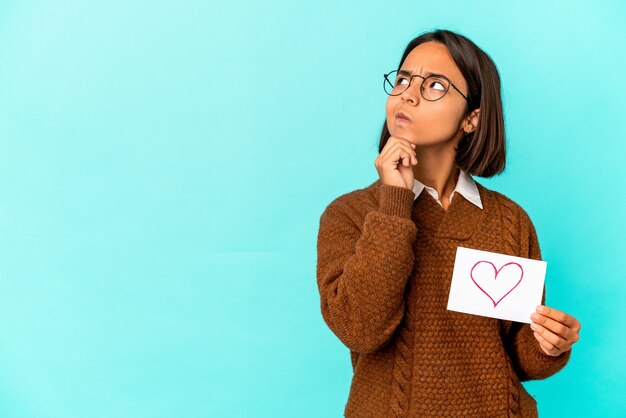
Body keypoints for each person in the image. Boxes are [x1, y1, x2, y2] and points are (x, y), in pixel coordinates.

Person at [315, 29, 581, 417]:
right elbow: (360, 328)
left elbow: (518, 355)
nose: (408, 93)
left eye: (435, 85)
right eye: (403, 79)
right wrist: (394, 204)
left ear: (471, 119)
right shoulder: (350, 214)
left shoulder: (510, 220)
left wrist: (548, 343)